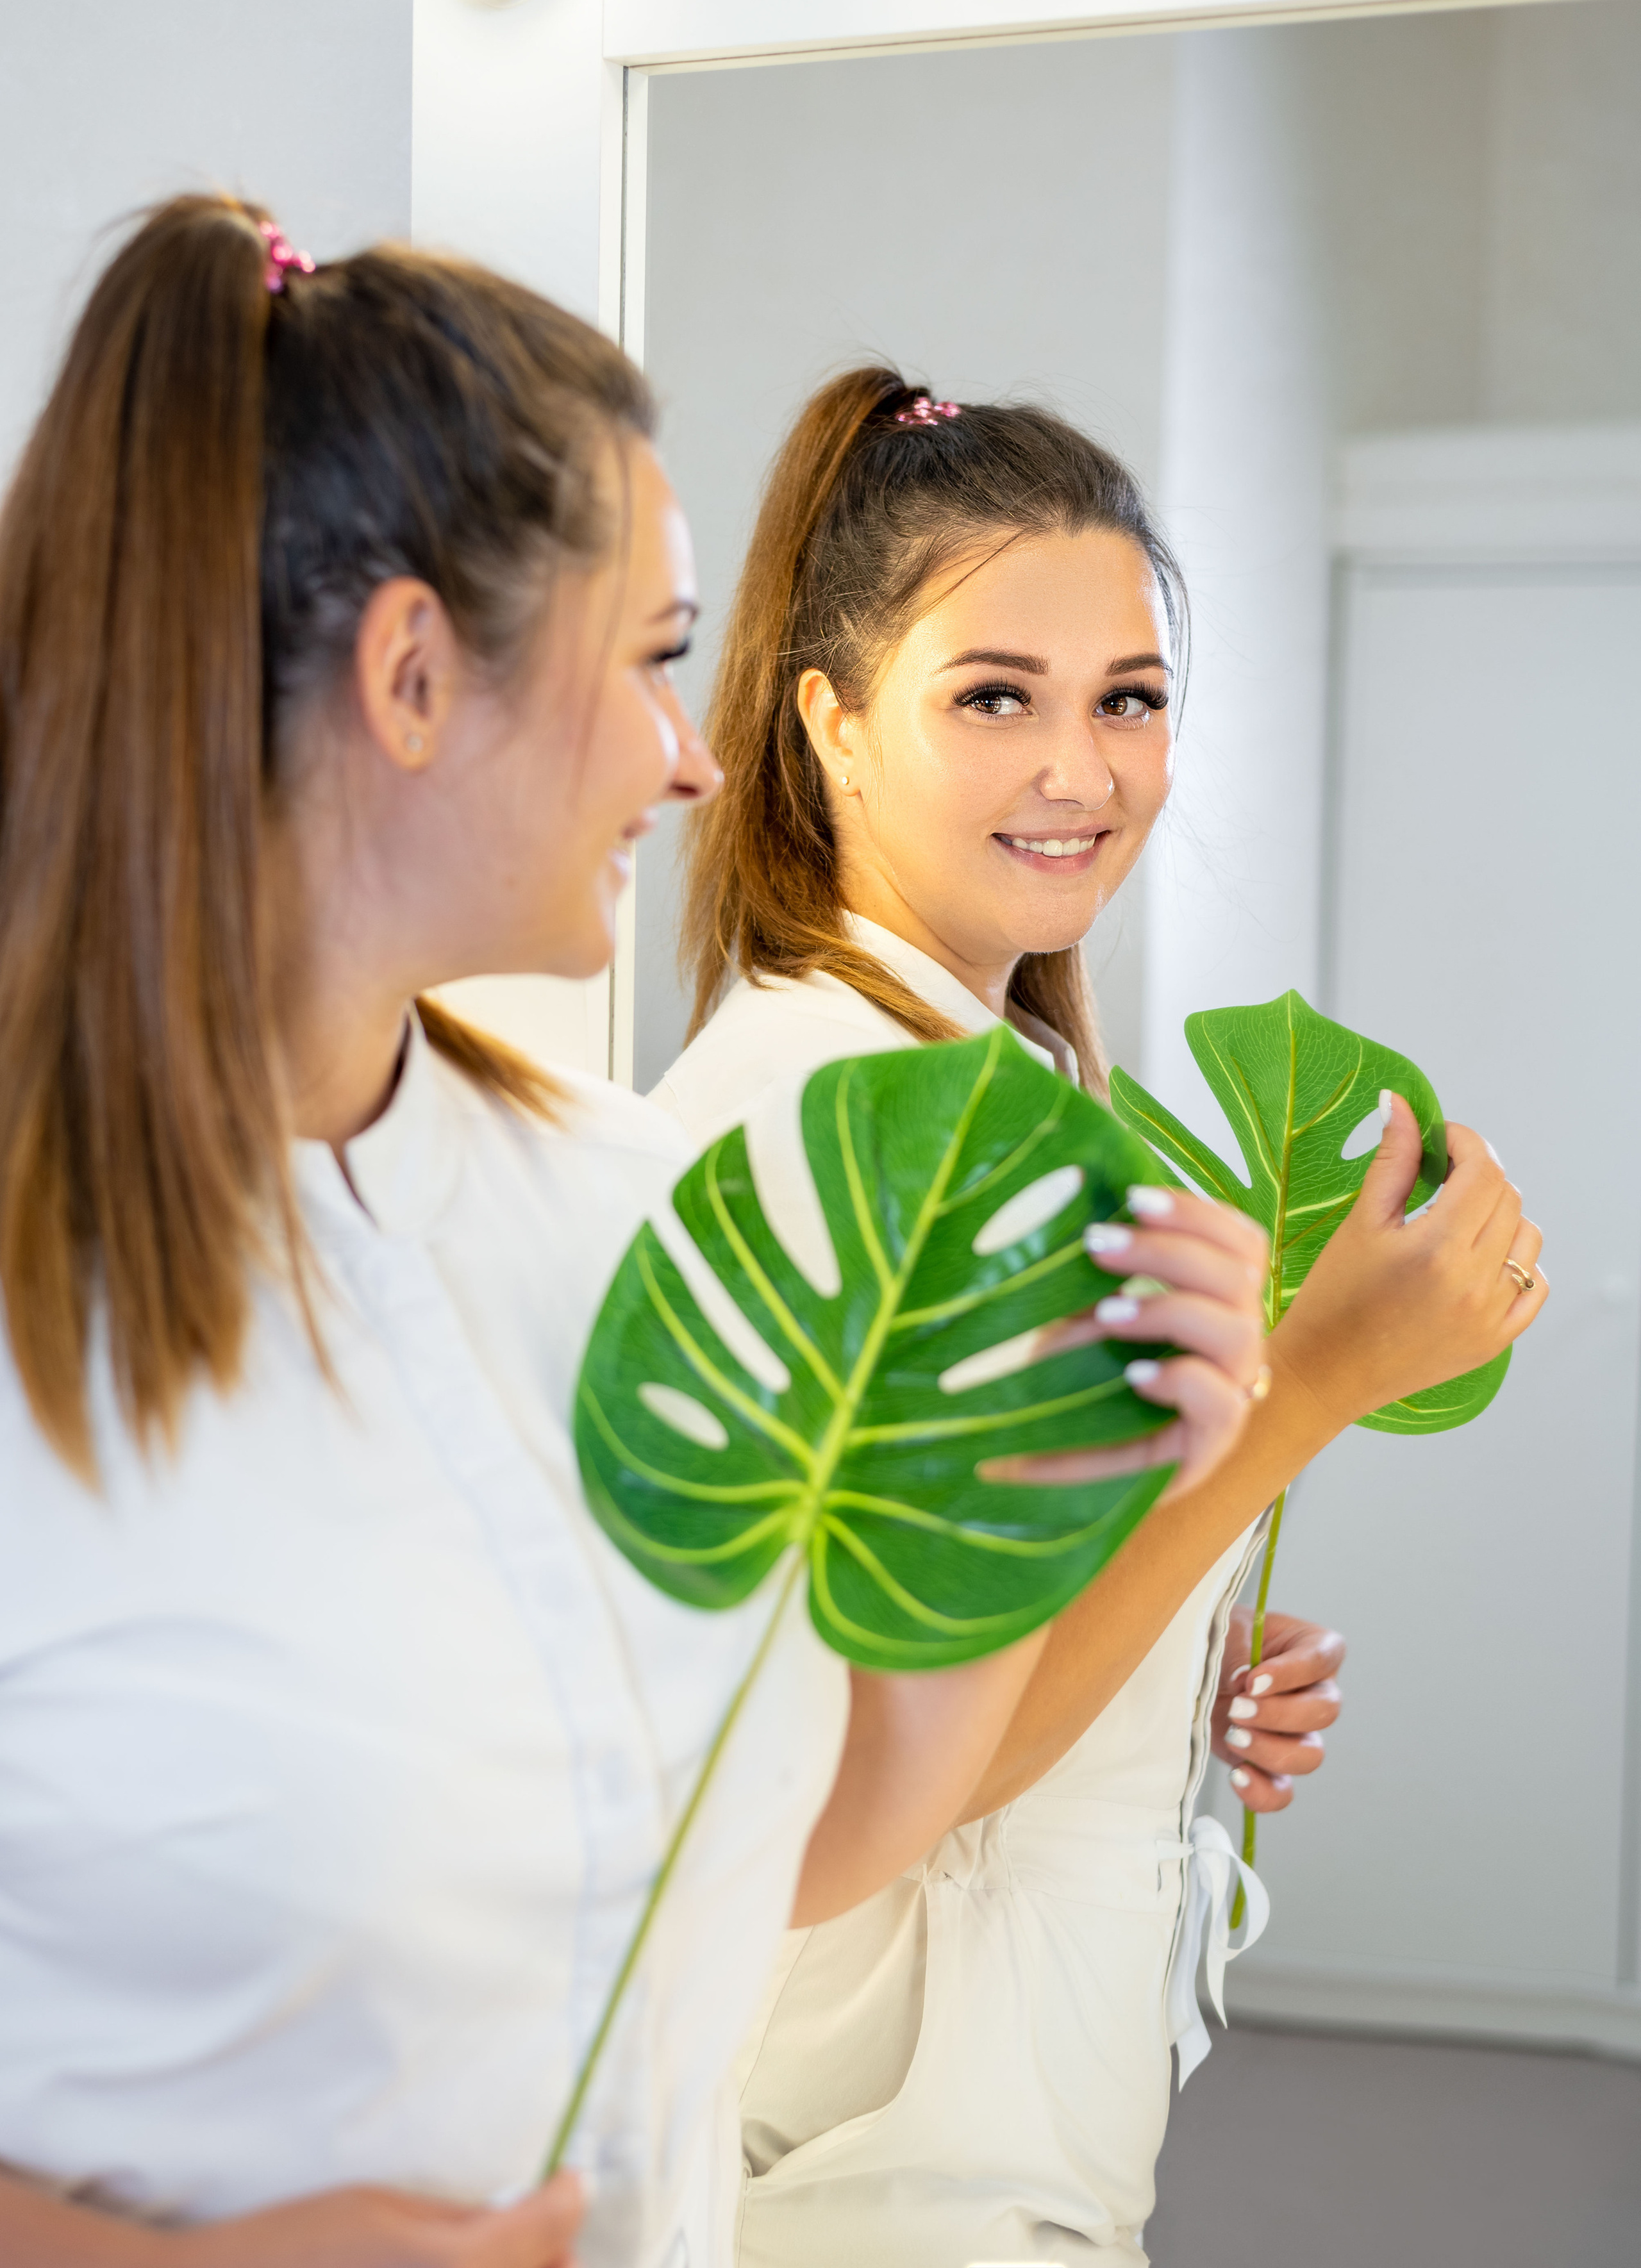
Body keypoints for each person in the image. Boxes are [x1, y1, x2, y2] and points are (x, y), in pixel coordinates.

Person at [0, 208, 1269, 2268]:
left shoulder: (612, 1212)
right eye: (654, 658)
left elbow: (779, 1835)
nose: (694, 756)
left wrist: (1076, 1465)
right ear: (416, 678)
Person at [654, 368, 1547, 2266]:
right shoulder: (856, 1123)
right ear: (829, 724)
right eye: (997, 698)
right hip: (872, 2184)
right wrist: (1312, 1387)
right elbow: (881, 1769)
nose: (1082, 769)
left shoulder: (997, 1089)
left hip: (984, 2135)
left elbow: (960, 1626)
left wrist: (1176, 1650)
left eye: (1127, 699)